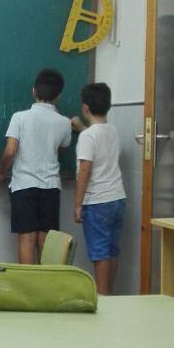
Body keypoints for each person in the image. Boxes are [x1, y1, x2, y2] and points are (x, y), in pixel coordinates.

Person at [0, 68, 71, 264]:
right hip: (51, 186)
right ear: (59, 95)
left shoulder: (20, 117)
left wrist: (2, 172)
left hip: (24, 185)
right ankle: (45, 288)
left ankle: (28, 288)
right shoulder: (64, 122)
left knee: (27, 238)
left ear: (33, 91)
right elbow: (63, 147)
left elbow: (10, 151)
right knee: (46, 239)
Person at [71, 83, 126, 294]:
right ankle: (109, 293)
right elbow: (99, 144)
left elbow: (85, 170)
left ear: (85, 108)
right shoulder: (111, 130)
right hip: (117, 198)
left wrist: (77, 204)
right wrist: (82, 128)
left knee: (100, 252)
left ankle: (103, 296)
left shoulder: (88, 137)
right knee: (112, 250)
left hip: (97, 202)